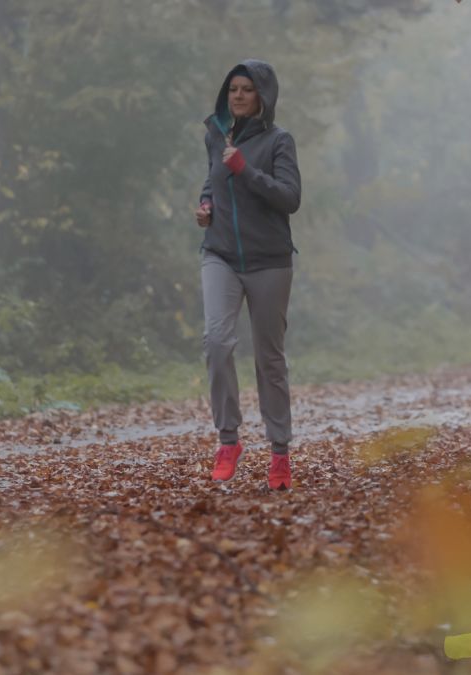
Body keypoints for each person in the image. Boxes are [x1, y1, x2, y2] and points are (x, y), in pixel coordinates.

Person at [195, 59, 301, 490]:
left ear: (263, 96)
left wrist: (246, 170)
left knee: (268, 359)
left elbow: (290, 198)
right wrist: (205, 206)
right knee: (217, 342)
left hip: (269, 261)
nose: (238, 95)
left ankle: (279, 453)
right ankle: (228, 439)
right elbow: (212, 180)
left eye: (247, 89)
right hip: (219, 253)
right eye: (233, 89)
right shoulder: (215, 135)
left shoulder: (280, 141)